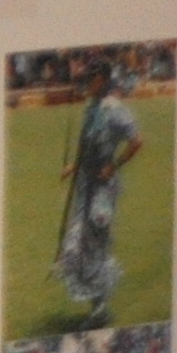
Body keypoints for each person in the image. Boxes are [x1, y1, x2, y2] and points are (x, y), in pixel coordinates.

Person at [52, 57, 146, 327]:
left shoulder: (116, 110)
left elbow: (136, 140)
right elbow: (87, 145)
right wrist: (74, 166)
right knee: (76, 244)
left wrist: (114, 165)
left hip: (103, 189)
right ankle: (97, 307)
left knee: (95, 245)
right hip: (85, 186)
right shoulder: (91, 108)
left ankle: (100, 310)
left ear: (102, 79)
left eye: (90, 79)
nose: (86, 84)